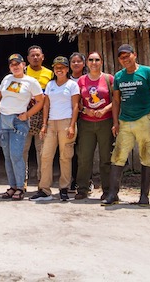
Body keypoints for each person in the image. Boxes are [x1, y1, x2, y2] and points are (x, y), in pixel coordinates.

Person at [101, 44, 150, 207]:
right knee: (118, 155)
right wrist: (115, 122)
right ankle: (113, 194)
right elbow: (116, 100)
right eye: (121, 57)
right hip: (125, 121)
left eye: (127, 56)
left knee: (147, 155)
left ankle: (144, 196)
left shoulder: (147, 72)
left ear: (134, 55)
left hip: (144, 119)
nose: (125, 59)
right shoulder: (119, 77)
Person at [30, 56, 80, 202]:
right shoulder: (50, 85)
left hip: (66, 122)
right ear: (54, 69)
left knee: (65, 156)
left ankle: (64, 188)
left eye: (62, 67)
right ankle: (44, 189)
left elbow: (76, 106)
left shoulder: (72, 85)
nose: (59, 70)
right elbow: (46, 105)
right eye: (57, 67)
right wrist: (44, 124)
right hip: (51, 122)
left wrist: (72, 125)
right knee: (45, 156)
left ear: (67, 69)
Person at [0, 54, 44, 200]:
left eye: (18, 64)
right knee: (8, 156)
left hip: (18, 121)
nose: (15, 67)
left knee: (16, 155)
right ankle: (13, 186)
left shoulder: (30, 81)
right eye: (12, 64)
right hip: (3, 120)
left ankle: (20, 186)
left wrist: (27, 114)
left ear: (23, 65)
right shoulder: (6, 79)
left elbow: (41, 101)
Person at [74, 51, 114, 201]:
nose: (94, 62)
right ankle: (83, 188)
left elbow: (117, 100)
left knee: (106, 158)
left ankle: (108, 190)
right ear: (87, 63)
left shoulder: (109, 79)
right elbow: (76, 102)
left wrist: (104, 109)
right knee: (84, 157)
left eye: (97, 59)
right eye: (91, 60)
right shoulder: (81, 81)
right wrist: (85, 110)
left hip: (105, 122)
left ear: (101, 62)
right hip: (86, 123)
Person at [23, 45, 53, 184]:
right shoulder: (22, 72)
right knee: (23, 151)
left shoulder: (50, 74)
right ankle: (22, 181)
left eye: (38, 55)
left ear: (43, 57)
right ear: (28, 58)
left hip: (43, 117)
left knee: (42, 152)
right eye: (32, 55)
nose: (35, 57)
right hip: (24, 116)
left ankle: (42, 182)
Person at [67, 51, 86, 193]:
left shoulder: (87, 79)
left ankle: (86, 180)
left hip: (85, 118)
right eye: (73, 61)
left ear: (84, 64)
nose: (76, 64)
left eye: (79, 61)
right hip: (68, 118)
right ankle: (73, 180)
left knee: (84, 151)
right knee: (70, 150)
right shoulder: (66, 80)